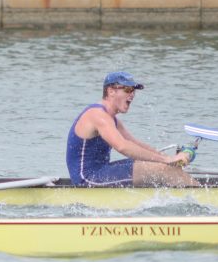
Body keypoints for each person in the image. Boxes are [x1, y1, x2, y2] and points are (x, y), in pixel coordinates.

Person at [65, 71, 197, 187]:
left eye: (133, 90)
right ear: (111, 91)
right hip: (88, 179)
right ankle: (205, 201)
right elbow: (123, 147)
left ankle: (194, 195)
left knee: (164, 167)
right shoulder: (98, 116)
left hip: (102, 170)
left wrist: (170, 159)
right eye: (127, 90)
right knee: (164, 169)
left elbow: (134, 143)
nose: (132, 94)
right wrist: (165, 161)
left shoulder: (112, 120)